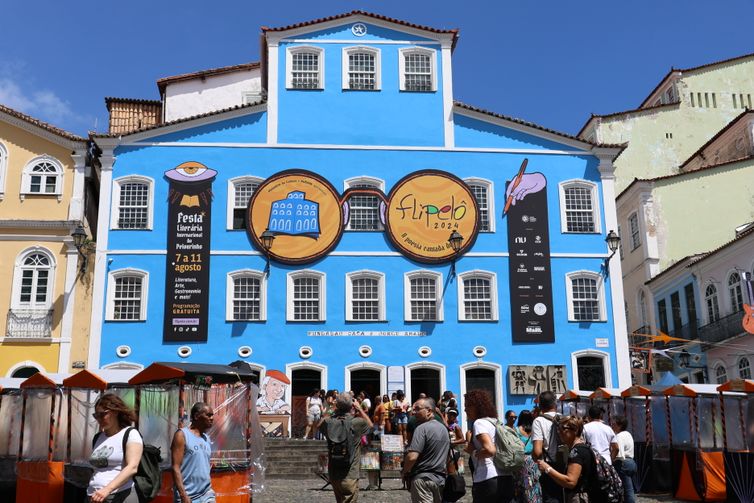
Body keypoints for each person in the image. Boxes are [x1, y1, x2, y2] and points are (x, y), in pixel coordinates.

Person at [88, 393, 143, 503]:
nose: (99, 419)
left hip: (120, 496)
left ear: (116, 412)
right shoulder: (98, 437)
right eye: (96, 415)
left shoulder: (130, 434)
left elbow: (132, 467)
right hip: (94, 496)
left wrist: (106, 490)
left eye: (102, 414)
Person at [320, 392, 372, 503]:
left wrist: (333, 408)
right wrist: (360, 409)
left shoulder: (330, 423)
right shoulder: (356, 423)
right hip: (350, 473)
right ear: (352, 406)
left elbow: (319, 424)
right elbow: (370, 426)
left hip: (334, 473)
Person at [464, 389, 514, 502]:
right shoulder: (495, 422)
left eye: (468, 406)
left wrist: (473, 452)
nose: (465, 409)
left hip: (487, 478)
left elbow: (490, 450)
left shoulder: (479, 423)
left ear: (477, 407)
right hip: (506, 477)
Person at [403, 398, 450, 503]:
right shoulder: (444, 429)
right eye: (413, 409)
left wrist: (404, 471)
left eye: (418, 409)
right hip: (440, 480)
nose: (414, 412)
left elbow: (412, 456)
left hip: (422, 480)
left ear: (429, 411)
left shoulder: (421, 429)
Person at [536, 416, 593, 503]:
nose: (559, 432)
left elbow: (570, 481)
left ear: (575, 430)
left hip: (579, 498)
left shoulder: (577, 452)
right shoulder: (581, 448)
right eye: (558, 429)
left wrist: (547, 468)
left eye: (563, 428)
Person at [171, 402, 215, 503]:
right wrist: (183, 495)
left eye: (212, 415)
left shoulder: (206, 439)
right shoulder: (181, 435)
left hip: (207, 494)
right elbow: (175, 467)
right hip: (189, 496)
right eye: (208, 415)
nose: (212, 418)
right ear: (196, 416)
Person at [532, 391, 563, 503]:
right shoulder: (565, 418)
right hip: (567, 464)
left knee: (551, 498)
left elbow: (537, 451)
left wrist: (536, 460)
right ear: (555, 404)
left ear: (540, 405)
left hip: (549, 466)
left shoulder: (538, 421)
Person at [515, 410, 543, 503]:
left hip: (522, 460)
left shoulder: (516, 430)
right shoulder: (535, 430)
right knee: (534, 483)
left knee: (523, 484)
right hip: (533, 459)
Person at [611, 415, 636, 503]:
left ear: (620, 425)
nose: (612, 425)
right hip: (631, 462)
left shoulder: (619, 436)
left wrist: (611, 461)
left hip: (623, 463)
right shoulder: (628, 434)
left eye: (614, 424)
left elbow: (619, 453)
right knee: (630, 489)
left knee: (627, 490)